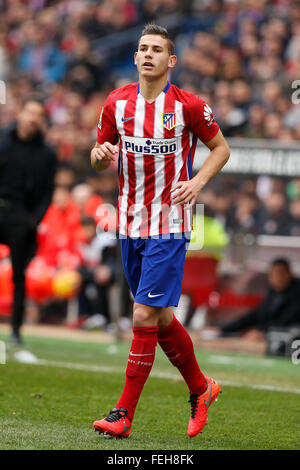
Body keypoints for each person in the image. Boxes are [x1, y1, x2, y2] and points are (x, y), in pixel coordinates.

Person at [91, 24, 230, 439]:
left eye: (156, 50)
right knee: (162, 318)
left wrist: (197, 182)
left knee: (142, 314)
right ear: (134, 58)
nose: (147, 54)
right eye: (142, 48)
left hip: (170, 223)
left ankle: (122, 414)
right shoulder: (116, 103)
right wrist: (99, 155)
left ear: (171, 61)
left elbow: (221, 148)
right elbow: (98, 158)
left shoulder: (188, 106)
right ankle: (202, 389)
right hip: (129, 221)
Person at [0, 97, 57, 344]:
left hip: (21, 217)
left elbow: (47, 191)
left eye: (39, 115)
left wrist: (34, 219)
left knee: (19, 275)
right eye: (30, 112)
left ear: (42, 121)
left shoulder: (46, 154)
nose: (33, 118)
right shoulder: (1, 139)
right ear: (20, 114)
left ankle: (15, 330)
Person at [219, 258, 300, 338]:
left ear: (289, 274)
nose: (277, 278)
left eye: (280, 274)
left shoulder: (296, 296)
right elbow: (252, 316)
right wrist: (222, 329)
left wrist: (262, 332)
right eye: (272, 274)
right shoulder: (272, 294)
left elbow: (285, 322)